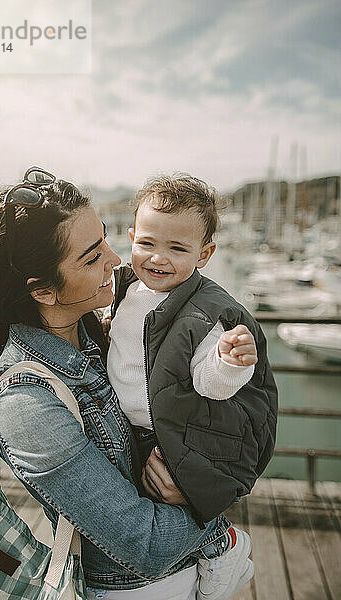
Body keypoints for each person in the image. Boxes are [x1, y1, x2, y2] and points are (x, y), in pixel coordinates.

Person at [0, 167, 240, 600]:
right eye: (92, 256)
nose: (116, 259)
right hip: (137, 588)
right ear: (44, 291)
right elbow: (144, 545)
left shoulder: (104, 333)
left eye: (107, 240)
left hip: (183, 575)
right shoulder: (28, 402)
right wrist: (205, 499)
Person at [107, 174, 278, 599]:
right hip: (133, 425)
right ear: (131, 236)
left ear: (204, 255)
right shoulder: (125, 289)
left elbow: (211, 384)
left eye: (177, 248)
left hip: (172, 434)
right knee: (146, 506)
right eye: (147, 243)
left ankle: (222, 549)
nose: (158, 258)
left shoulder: (206, 314)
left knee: (170, 501)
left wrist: (228, 360)